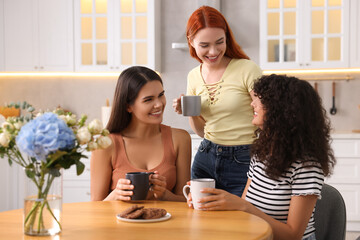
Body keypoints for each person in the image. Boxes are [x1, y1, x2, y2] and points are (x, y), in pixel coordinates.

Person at [192, 74, 336, 240]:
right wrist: (212, 203)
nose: (252, 103)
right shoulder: (263, 151)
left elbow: (292, 234)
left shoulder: (306, 166)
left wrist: (243, 206)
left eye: (260, 99)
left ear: (281, 109)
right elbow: (245, 207)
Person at [172, 6, 262, 196]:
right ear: (191, 41)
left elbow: (266, 115)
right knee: (200, 218)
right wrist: (191, 112)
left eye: (219, 42)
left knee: (240, 220)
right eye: (204, 45)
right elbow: (201, 131)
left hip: (244, 159)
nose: (213, 51)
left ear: (227, 38)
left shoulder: (247, 69)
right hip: (205, 156)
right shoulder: (193, 76)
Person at [91, 66, 191, 201]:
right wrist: (115, 195)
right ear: (128, 106)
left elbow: (185, 200)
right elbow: (95, 207)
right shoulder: (105, 145)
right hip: (118, 222)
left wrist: (164, 195)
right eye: (148, 99)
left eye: (161, 95)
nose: (159, 104)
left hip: (167, 221)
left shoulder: (180, 139)